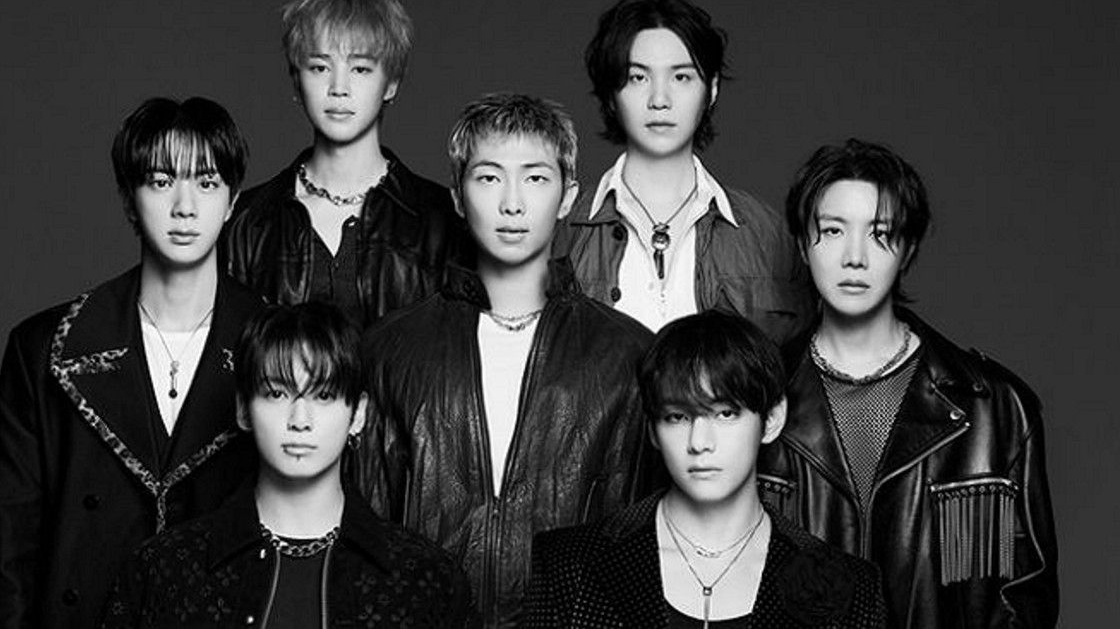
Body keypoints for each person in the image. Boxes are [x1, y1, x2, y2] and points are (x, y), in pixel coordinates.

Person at [356, 93, 653, 628]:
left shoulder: (627, 354)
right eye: (489, 178)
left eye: (535, 178)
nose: (512, 204)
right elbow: (365, 534)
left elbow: (642, 541)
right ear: (457, 195)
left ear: (568, 197)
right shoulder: (390, 350)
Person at [0, 97, 264, 629]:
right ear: (129, 200)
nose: (185, 206)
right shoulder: (44, 348)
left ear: (232, 201)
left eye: (207, 183)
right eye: (161, 181)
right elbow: (10, 556)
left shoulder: (274, 346)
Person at [758, 138, 1058, 628]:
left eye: (880, 234)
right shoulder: (754, 396)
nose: (854, 257)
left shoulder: (996, 409)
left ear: (909, 249)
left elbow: (1025, 601)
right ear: (801, 245)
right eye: (832, 231)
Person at [100, 303, 475, 628]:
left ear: (358, 414)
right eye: (277, 393)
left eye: (324, 395)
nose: (300, 420)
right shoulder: (163, 570)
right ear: (243, 408)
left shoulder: (427, 579)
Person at [525, 310, 885, 628]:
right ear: (652, 429)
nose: (699, 442)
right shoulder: (568, 565)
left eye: (725, 414)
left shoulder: (852, 589)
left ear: (772, 419)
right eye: (677, 417)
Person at [554, 0, 812, 340]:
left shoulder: (769, 237)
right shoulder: (560, 232)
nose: (660, 99)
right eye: (637, 77)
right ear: (610, 95)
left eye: (681, 77)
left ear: (712, 89)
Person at [224, 0, 466, 327]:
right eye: (320, 68)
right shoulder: (244, 222)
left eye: (360, 69)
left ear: (391, 83)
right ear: (296, 80)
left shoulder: (443, 221)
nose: (339, 89)